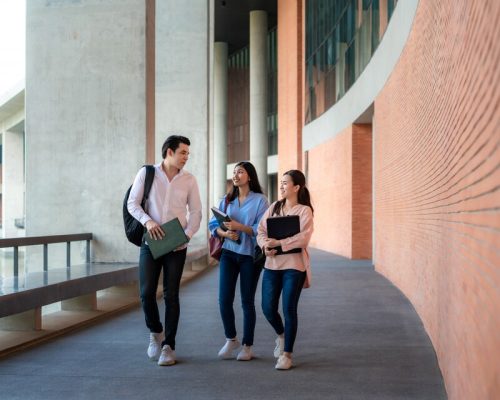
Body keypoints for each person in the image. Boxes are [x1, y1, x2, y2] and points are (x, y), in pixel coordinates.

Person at [127, 135, 202, 366]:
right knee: (146, 292)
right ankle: (155, 332)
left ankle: (169, 345)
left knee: (171, 294)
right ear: (169, 152)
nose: (186, 157)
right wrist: (148, 222)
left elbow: (196, 213)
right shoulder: (147, 173)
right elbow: (133, 203)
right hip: (151, 242)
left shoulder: (189, 180)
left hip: (177, 245)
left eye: (188, 153)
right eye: (183, 153)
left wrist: (186, 236)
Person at [208, 161, 269, 361]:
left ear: (249, 176)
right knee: (224, 299)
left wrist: (238, 227)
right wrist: (225, 233)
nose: (235, 175)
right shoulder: (226, 200)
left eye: (240, 172)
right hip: (228, 254)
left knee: (246, 301)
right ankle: (231, 338)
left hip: (249, 256)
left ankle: (247, 345)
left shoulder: (261, 200)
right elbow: (212, 226)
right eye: (234, 172)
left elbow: (261, 229)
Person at [257, 169, 314, 370]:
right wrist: (265, 246)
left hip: (294, 266)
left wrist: (279, 243)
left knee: (289, 308)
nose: (281, 186)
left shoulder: (304, 211)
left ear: (297, 187)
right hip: (272, 265)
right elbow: (261, 230)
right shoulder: (274, 207)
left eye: (285, 183)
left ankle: (287, 354)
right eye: (280, 183)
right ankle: (281, 335)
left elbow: (304, 238)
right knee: (267, 308)